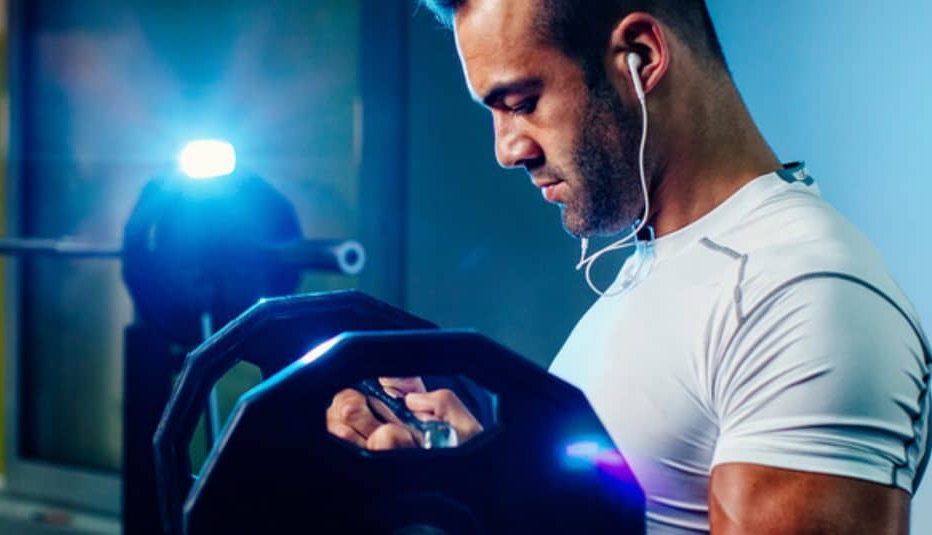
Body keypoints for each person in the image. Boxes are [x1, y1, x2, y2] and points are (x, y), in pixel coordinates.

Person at [327, 0, 930, 533]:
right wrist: (480, 476)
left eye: (523, 103)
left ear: (640, 55)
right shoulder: (665, 264)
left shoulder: (801, 296)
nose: (507, 149)